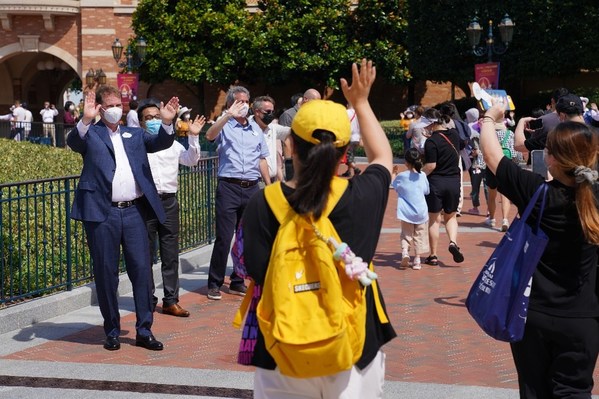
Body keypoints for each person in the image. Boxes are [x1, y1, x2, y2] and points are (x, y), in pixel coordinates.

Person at [241, 58, 396, 398]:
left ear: (291, 146)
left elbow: (254, 268)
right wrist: (361, 102)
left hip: (282, 345)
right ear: (344, 153)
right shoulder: (362, 196)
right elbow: (383, 157)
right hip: (354, 345)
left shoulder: (263, 202)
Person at [481, 102, 599, 398]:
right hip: (583, 318)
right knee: (574, 391)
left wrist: (488, 119)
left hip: (532, 315)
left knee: (533, 389)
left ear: (551, 159)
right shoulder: (594, 199)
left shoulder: (536, 192)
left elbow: (494, 157)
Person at [67, 85, 179, 351]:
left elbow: (162, 142)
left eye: (121, 103)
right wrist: (85, 118)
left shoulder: (134, 134)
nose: (118, 108)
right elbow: (74, 142)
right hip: (102, 214)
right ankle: (112, 331)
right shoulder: (91, 133)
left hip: (134, 212)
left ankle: (144, 331)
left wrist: (167, 121)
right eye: (112, 104)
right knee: (106, 274)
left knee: (141, 271)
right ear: (101, 108)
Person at [139, 98, 205, 317]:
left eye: (157, 117)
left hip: (169, 201)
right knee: (145, 254)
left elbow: (191, 160)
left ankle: (170, 300)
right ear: (141, 122)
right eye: (148, 118)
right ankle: (147, 299)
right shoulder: (138, 144)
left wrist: (194, 136)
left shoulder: (172, 144)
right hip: (146, 203)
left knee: (170, 253)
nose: (154, 121)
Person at [204, 86, 270, 300]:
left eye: (245, 102)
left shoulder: (255, 129)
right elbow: (209, 135)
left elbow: (262, 158)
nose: (243, 106)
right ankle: (214, 283)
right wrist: (226, 116)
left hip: (251, 186)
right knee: (224, 237)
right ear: (231, 103)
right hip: (229, 187)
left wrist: (268, 184)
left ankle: (237, 280)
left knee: (246, 237)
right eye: (238, 102)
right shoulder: (225, 125)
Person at [414, 107, 464, 266]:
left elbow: (431, 165)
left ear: (432, 124)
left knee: (434, 220)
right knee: (451, 216)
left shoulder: (431, 141)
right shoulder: (454, 135)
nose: (425, 128)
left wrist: (418, 174)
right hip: (453, 182)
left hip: (436, 183)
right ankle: (453, 243)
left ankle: (433, 255)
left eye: (427, 125)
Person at [391, 148, 430, 270]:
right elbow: (427, 191)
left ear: (406, 162)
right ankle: (417, 260)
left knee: (406, 234)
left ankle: (405, 253)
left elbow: (393, 185)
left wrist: (393, 174)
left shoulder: (402, 176)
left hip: (406, 212)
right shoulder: (422, 175)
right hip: (421, 212)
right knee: (420, 235)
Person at [279, 88, 321, 180]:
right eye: (315, 102)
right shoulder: (288, 115)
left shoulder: (313, 114)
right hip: (293, 160)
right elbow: (284, 141)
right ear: (306, 99)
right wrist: (289, 165)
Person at [483, 118, 515, 232]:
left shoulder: (490, 135)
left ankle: (491, 219)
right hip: (506, 164)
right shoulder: (509, 133)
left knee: (492, 194)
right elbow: (514, 151)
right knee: (505, 195)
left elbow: (486, 151)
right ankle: (505, 219)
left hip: (492, 165)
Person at [250, 96, 290, 183]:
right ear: (257, 112)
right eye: (268, 112)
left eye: (272, 111)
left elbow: (291, 131)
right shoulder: (246, 128)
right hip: (254, 182)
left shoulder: (272, 128)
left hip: (271, 179)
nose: (271, 114)